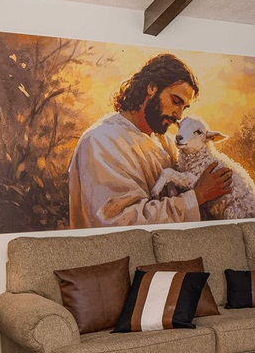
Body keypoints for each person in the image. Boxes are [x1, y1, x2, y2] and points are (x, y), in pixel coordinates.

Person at [68, 53, 233, 227]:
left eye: (184, 107)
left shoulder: (166, 143)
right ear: (152, 88)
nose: (178, 115)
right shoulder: (101, 140)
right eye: (175, 101)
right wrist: (197, 197)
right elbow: (118, 221)